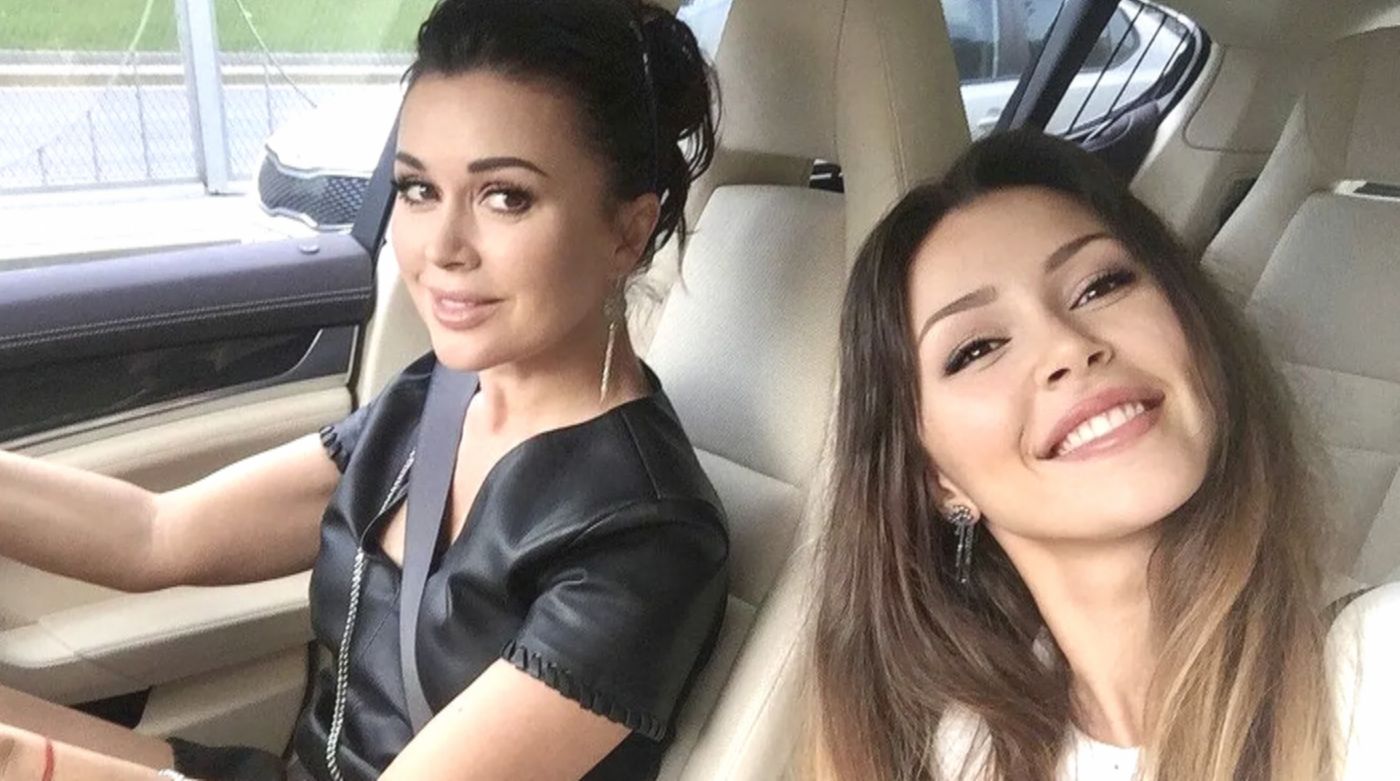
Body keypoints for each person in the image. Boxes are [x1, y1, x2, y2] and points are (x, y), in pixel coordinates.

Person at [0, 1, 728, 779]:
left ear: (627, 231)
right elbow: (155, 533)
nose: (441, 247)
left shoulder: (649, 538)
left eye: (505, 196)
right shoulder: (433, 399)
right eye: (418, 189)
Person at [808, 130, 1398, 780]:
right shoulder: (962, 747)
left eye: (1101, 285)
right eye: (977, 349)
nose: (1067, 345)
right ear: (937, 478)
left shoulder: (1379, 664)